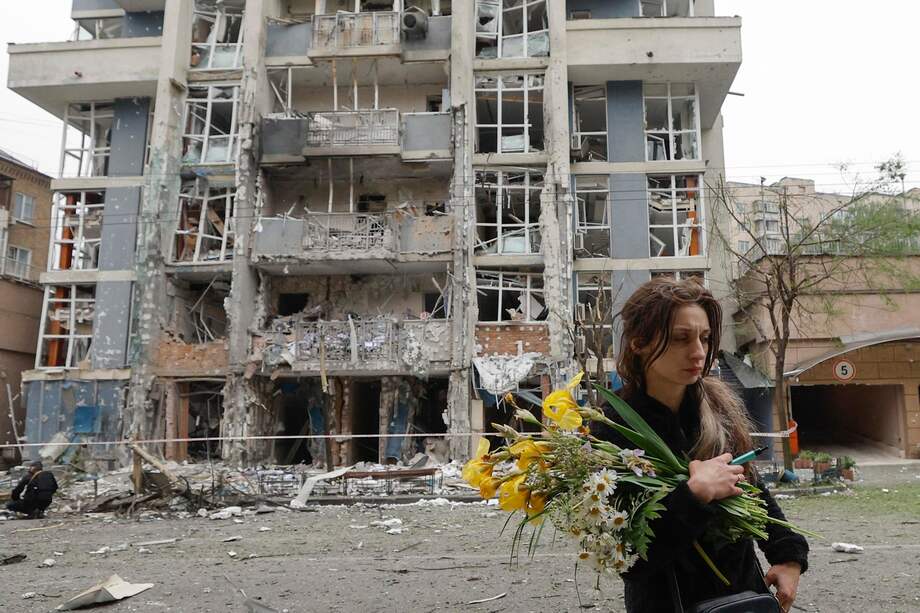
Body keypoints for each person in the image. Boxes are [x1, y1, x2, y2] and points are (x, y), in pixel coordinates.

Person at [594, 278, 808, 613]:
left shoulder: (717, 406)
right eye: (681, 338)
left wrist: (789, 556)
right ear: (639, 342)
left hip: (743, 599)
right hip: (669, 603)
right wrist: (694, 496)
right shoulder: (612, 426)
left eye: (705, 338)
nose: (699, 351)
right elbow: (629, 559)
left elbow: (751, 488)